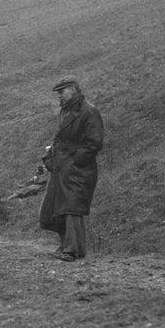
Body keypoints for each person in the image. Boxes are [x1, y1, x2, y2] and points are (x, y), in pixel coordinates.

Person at [39, 76, 104, 262]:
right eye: (58, 92)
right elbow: (60, 138)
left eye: (62, 91)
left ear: (74, 89)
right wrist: (51, 156)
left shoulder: (89, 112)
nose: (59, 95)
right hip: (62, 167)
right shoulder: (66, 111)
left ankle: (72, 249)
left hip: (77, 170)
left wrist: (74, 161)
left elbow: (94, 143)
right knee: (58, 208)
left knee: (71, 208)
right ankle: (68, 246)